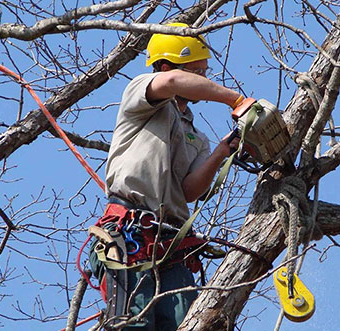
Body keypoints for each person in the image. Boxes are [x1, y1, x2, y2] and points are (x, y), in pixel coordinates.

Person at [88, 22, 243, 330]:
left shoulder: (197, 137)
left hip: (172, 245)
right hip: (129, 236)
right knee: (134, 324)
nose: (202, 80)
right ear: (166, 65)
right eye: (195, 73)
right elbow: (171, 82)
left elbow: (188, 191)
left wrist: (220, 153)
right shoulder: (141, 95)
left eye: (202, 72)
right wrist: (235, 100)